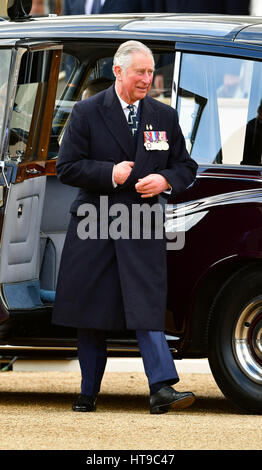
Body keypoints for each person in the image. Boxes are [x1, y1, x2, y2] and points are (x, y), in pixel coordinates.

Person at [52, 40, 198, 414]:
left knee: (146, 306)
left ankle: (161, 389)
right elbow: (66, 166)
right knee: (92, 311)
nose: (147, 79)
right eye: (140, 72)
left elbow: (185, 166)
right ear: (118, 72)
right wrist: (110, 174)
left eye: (151, 72)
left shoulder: (164, 117)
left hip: (142, 224)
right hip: (94, 224)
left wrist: (165, 180)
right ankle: (88, 393)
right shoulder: (86, 112)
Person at [102, 0, 250, 14]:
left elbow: (237, 9)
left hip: (212, 48)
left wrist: (233, 72)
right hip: (172, 53)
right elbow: (158, 12)